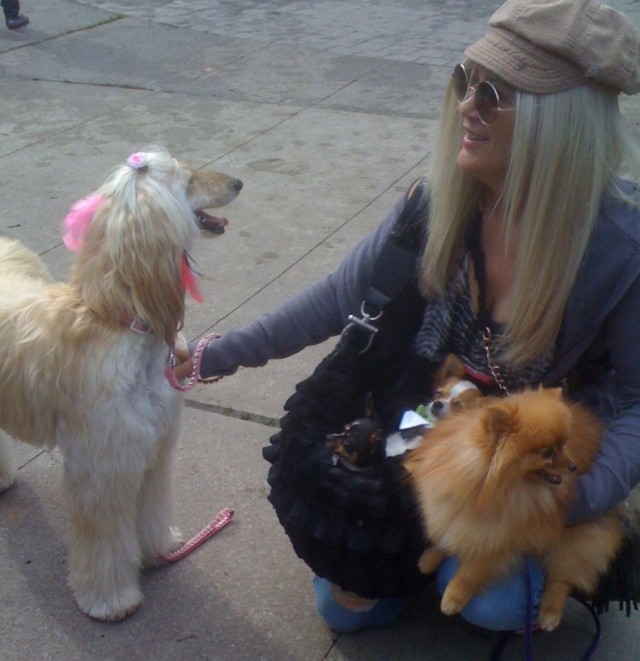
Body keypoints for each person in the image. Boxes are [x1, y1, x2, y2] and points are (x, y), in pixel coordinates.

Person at [175, 0, 640, 634]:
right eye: (465, 80)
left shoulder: (619, 248)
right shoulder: (439, 201)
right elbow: (340, 295)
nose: (467, 106)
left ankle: (464, 552)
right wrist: (213, 355)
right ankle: (418, 543)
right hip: (432, 415)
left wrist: (563, 499)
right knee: (345, 595)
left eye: (496, 92)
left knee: (499, 604)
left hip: (538, 457)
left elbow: (636, 399)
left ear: (559, 121)